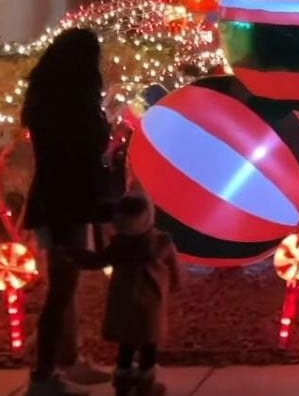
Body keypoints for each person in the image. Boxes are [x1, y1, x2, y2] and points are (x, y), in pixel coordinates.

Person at [22, 28, 116, 394]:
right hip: (65, 206)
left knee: (66, 290)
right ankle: (44, 375)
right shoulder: (70, 108)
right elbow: (74, 161)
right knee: (61, 292)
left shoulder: (50, 101)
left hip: (60, 203)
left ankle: (66, 360)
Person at [68, 192, 180, 396]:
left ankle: (123, 383)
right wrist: (175, 284)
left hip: (124, 304)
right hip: (151, 304)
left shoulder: (119, 247)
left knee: (126, 347)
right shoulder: (162, 242)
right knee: (149, 346)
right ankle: (146, 385)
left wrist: (73, 254)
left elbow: (96, 261)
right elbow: (174, 269)